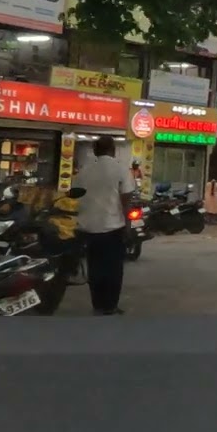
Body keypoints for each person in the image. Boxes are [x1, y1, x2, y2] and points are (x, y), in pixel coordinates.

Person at [73, 134, 136, 316]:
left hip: (87, 227)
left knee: (95, 268)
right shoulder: (120, 169)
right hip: (112, 227)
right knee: (113, 269)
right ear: (113, 150)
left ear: (94, 150)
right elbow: (126, 201)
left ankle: (98, 305)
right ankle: (110, 306)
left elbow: (75, 197)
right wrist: (128, 227)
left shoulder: (84, 171)